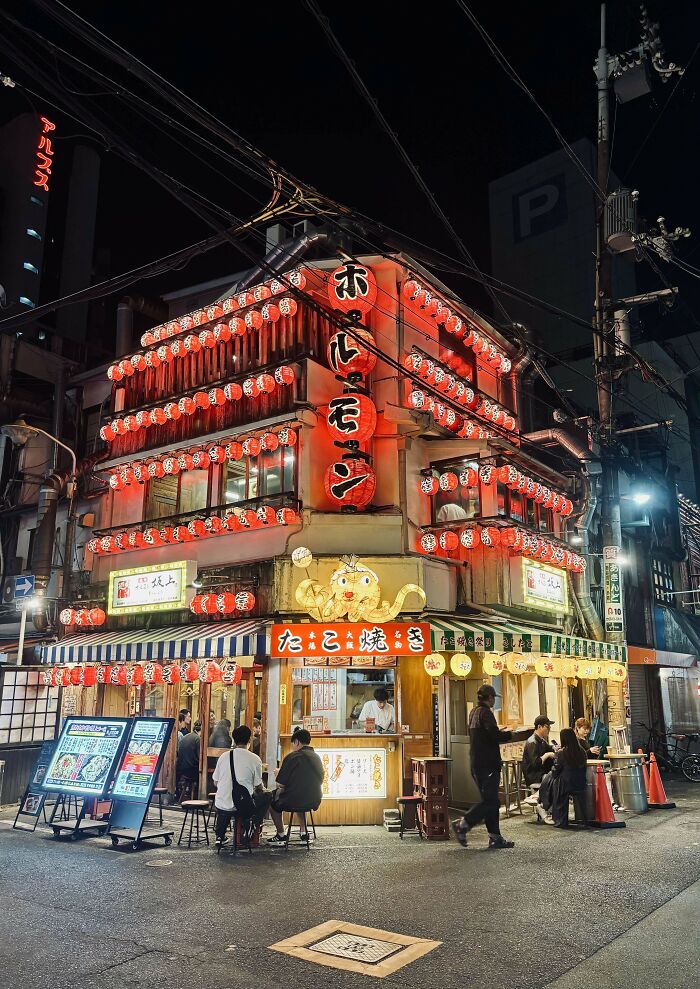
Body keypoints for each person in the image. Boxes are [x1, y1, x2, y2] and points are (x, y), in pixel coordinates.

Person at [451, 684, 514, 849]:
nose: (494, 701)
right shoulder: (486, 713)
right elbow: (494, 735)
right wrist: (509, 734)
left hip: (477, 763)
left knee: (491, 801)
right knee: (491, 801)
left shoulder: (474, 712)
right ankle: (463, 824)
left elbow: (484, 735)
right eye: (494, 698)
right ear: (490, 697)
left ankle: (495, 837)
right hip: (487, 764)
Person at [212, 724, 272, 847]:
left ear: (234, 740)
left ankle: (220, 836)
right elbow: (258, 786)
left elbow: (215, 782)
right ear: (249, 740)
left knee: (228, 798)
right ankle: (251, 826)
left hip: (222, 805)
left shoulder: (224, 756)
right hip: (243, 806)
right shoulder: (255, 759)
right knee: (267, 795)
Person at [267, 728, 325, 844]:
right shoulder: (317, 757)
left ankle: (281, 835)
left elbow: (280, 784)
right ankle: (304, 833)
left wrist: (279, 774)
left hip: (294, 800)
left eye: (293, 743)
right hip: (314, 799)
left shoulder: (292, 757)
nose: (293, 746)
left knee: (271, 798)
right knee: (299, 793)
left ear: (297, 742)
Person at [548, 727, 588, 828]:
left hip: (566, 785)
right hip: (581, 783)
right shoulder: (582, 751)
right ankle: (584, 819)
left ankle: (560, 820)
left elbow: (556, 769)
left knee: (554, 781)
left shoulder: (562, 752)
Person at [522, 716, 557, 787]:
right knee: (557, 781)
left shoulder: (541, 740)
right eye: (547, 727)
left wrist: (554, 747)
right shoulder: (532, 742)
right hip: (535, 776)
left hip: (542, 773)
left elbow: (549, 748)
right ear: (539, 727)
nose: (549, 729)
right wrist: (547, 755)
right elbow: (536, 763)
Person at [176, 719, 200, 800]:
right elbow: (199, 757)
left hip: (182, 769)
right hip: (192, 770)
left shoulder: (185, 736)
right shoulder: (197, 739)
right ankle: (198, 798)